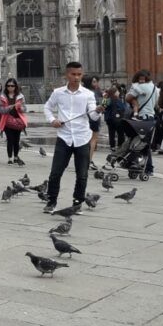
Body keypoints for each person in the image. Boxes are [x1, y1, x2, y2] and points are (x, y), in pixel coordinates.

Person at [43, 61, 104, 214]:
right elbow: (47, 108)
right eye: (73, 74)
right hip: (64, 137)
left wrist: (98, 110)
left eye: (79, 74)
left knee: (82, 174)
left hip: (82, 137)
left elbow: (93, 116)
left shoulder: (88, 94)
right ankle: (51, 201)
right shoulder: (58, 93)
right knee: (56, 172)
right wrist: (53, 120)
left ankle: (77, 203)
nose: (76, 77)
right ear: (67, 75)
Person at [0, 78, 27, 166]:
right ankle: (10, 158)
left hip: (18, 120)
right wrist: (8, 108)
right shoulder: (3, 96)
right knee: (10, 139)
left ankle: (16, 157)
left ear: (15, 86)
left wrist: (20, 108)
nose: (10, 87)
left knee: (16, 140)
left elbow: (24, 109)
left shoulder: (20, 96)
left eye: (12, 86)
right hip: (7, 121)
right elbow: (0, 110)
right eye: (8, 86)